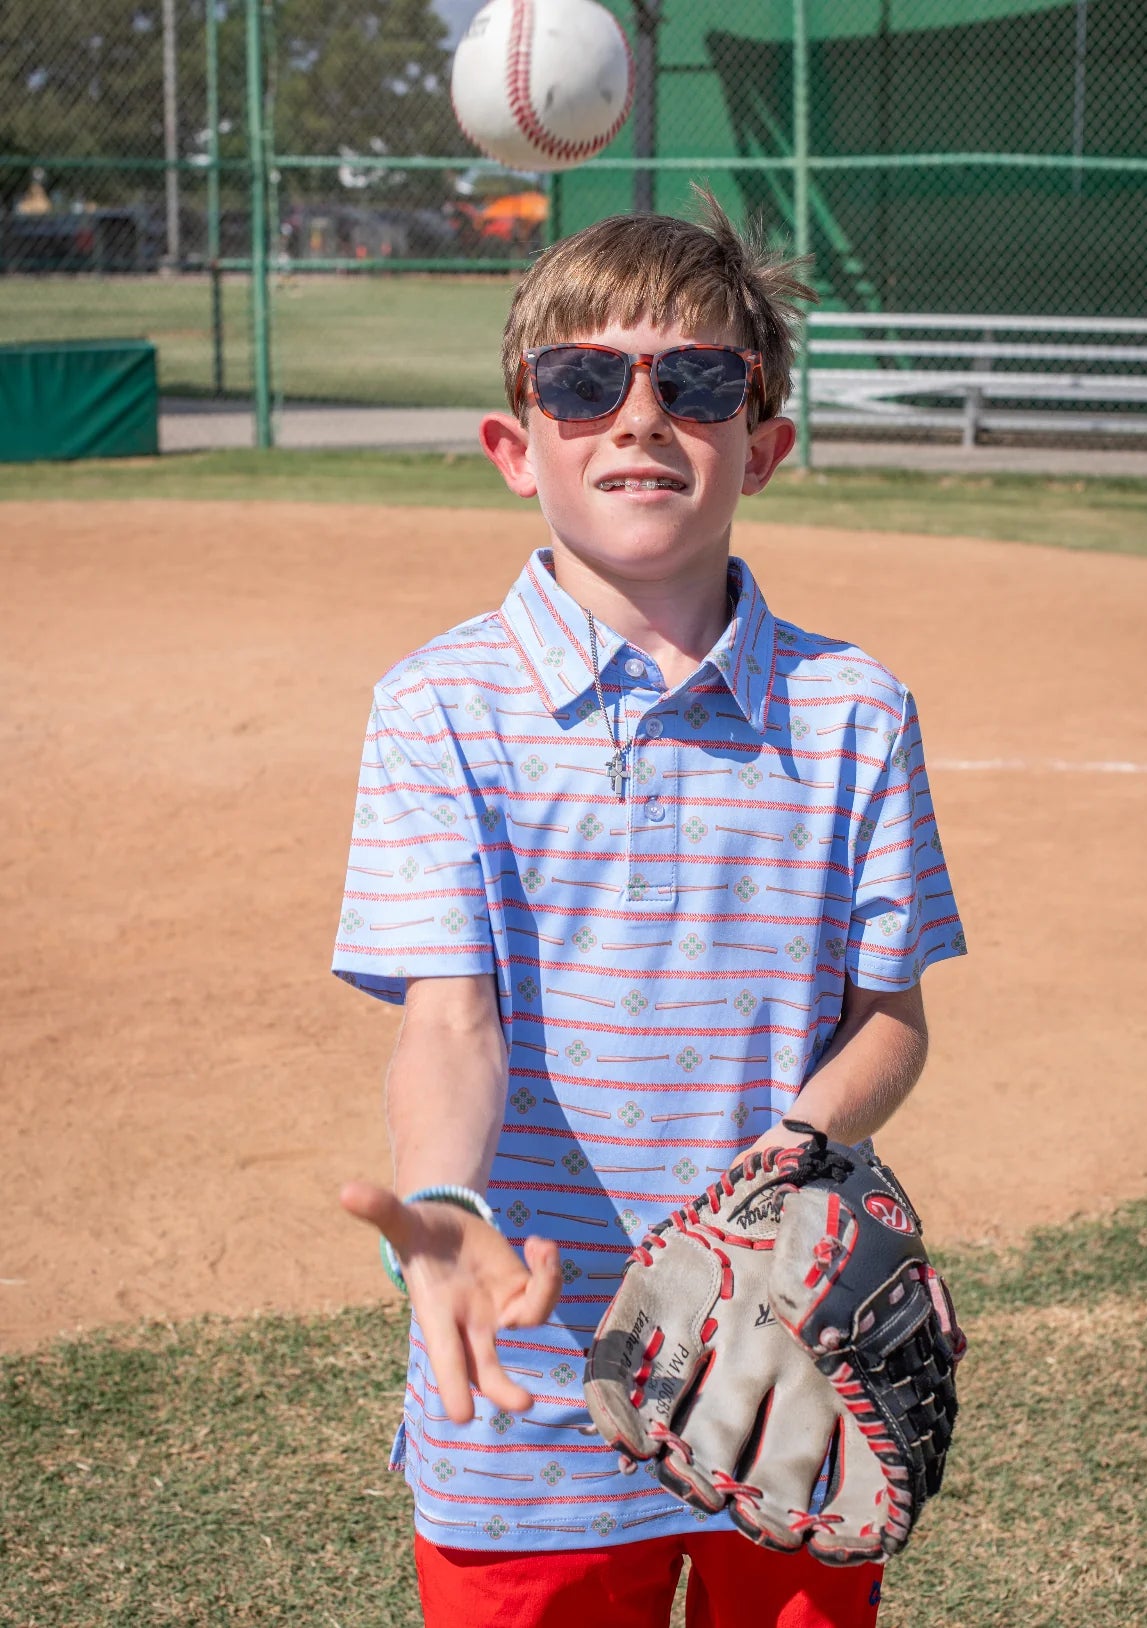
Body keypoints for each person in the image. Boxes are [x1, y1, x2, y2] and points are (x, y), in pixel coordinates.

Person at [331, 195, 966, 1628]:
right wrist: (442, 1197)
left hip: (773, 1378)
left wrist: (800, 1152)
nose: (636, 417)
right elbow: (449, 1023)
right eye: (579, 382)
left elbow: (889, 1021)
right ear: (515, 446)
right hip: (528, 1395)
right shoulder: (440, 708)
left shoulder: (853, 712)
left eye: (692, 382)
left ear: (763, 441)